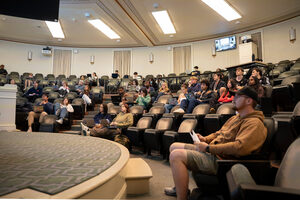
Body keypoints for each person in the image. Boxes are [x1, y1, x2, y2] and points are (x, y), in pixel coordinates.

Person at [164, 86, 267, 200]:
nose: (234, 98)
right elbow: (219, 133)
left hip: (223, 161)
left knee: (176, 155)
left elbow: (240, 147)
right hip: (213, 152)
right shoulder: (236, 118)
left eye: (238, 96)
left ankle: (182, 197)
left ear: (248, 101)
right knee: (174, 146)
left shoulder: (254, 123)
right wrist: (205, 139)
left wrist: (208, 148)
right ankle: (180, 187)